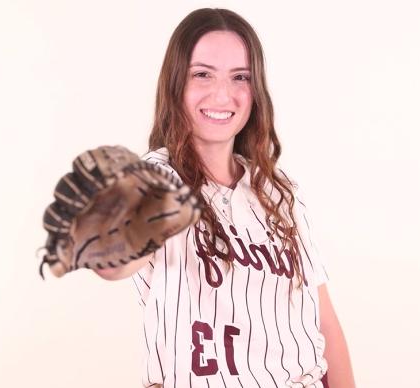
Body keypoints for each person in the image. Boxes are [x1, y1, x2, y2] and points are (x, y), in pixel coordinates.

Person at [84, 8, 355, 388]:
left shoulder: (279, 191)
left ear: (255, 89)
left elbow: (323, 319)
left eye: (240, 77)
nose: (222, 93)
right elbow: (112, 260)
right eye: (202, 74)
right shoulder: (155, 178)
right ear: (175, 83)